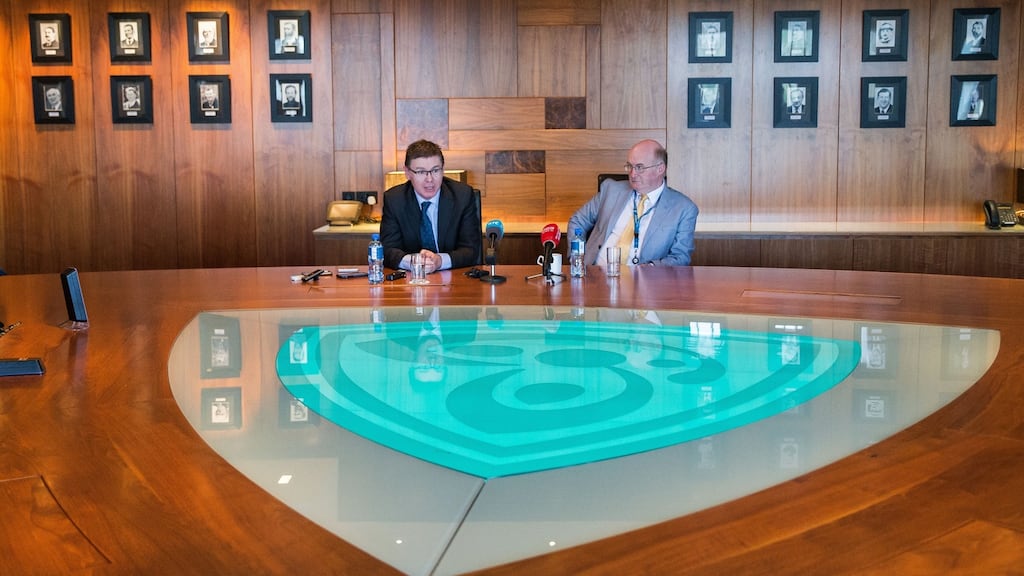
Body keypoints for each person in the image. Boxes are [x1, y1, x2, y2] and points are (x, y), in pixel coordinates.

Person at [568, 139, 699, 267]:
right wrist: (577, 258)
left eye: (639, 167)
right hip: (595, 276)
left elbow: (680, 257)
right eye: (630, 166)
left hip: (645, 283)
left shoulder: (683, 208)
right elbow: (578, 220)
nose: (632, 174)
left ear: (660, 169)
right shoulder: (610, 189)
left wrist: (650, 268)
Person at [380, 139, 482, 272]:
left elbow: (471, 250)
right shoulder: (394, 199)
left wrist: (440, 261)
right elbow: (388, 250)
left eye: (435, 170)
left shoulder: (462, 196)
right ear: (407, 172)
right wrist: (415, 262)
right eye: (421, 172)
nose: (429, 179)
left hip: (455, 280)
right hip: (410, 282)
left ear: (442, 169)